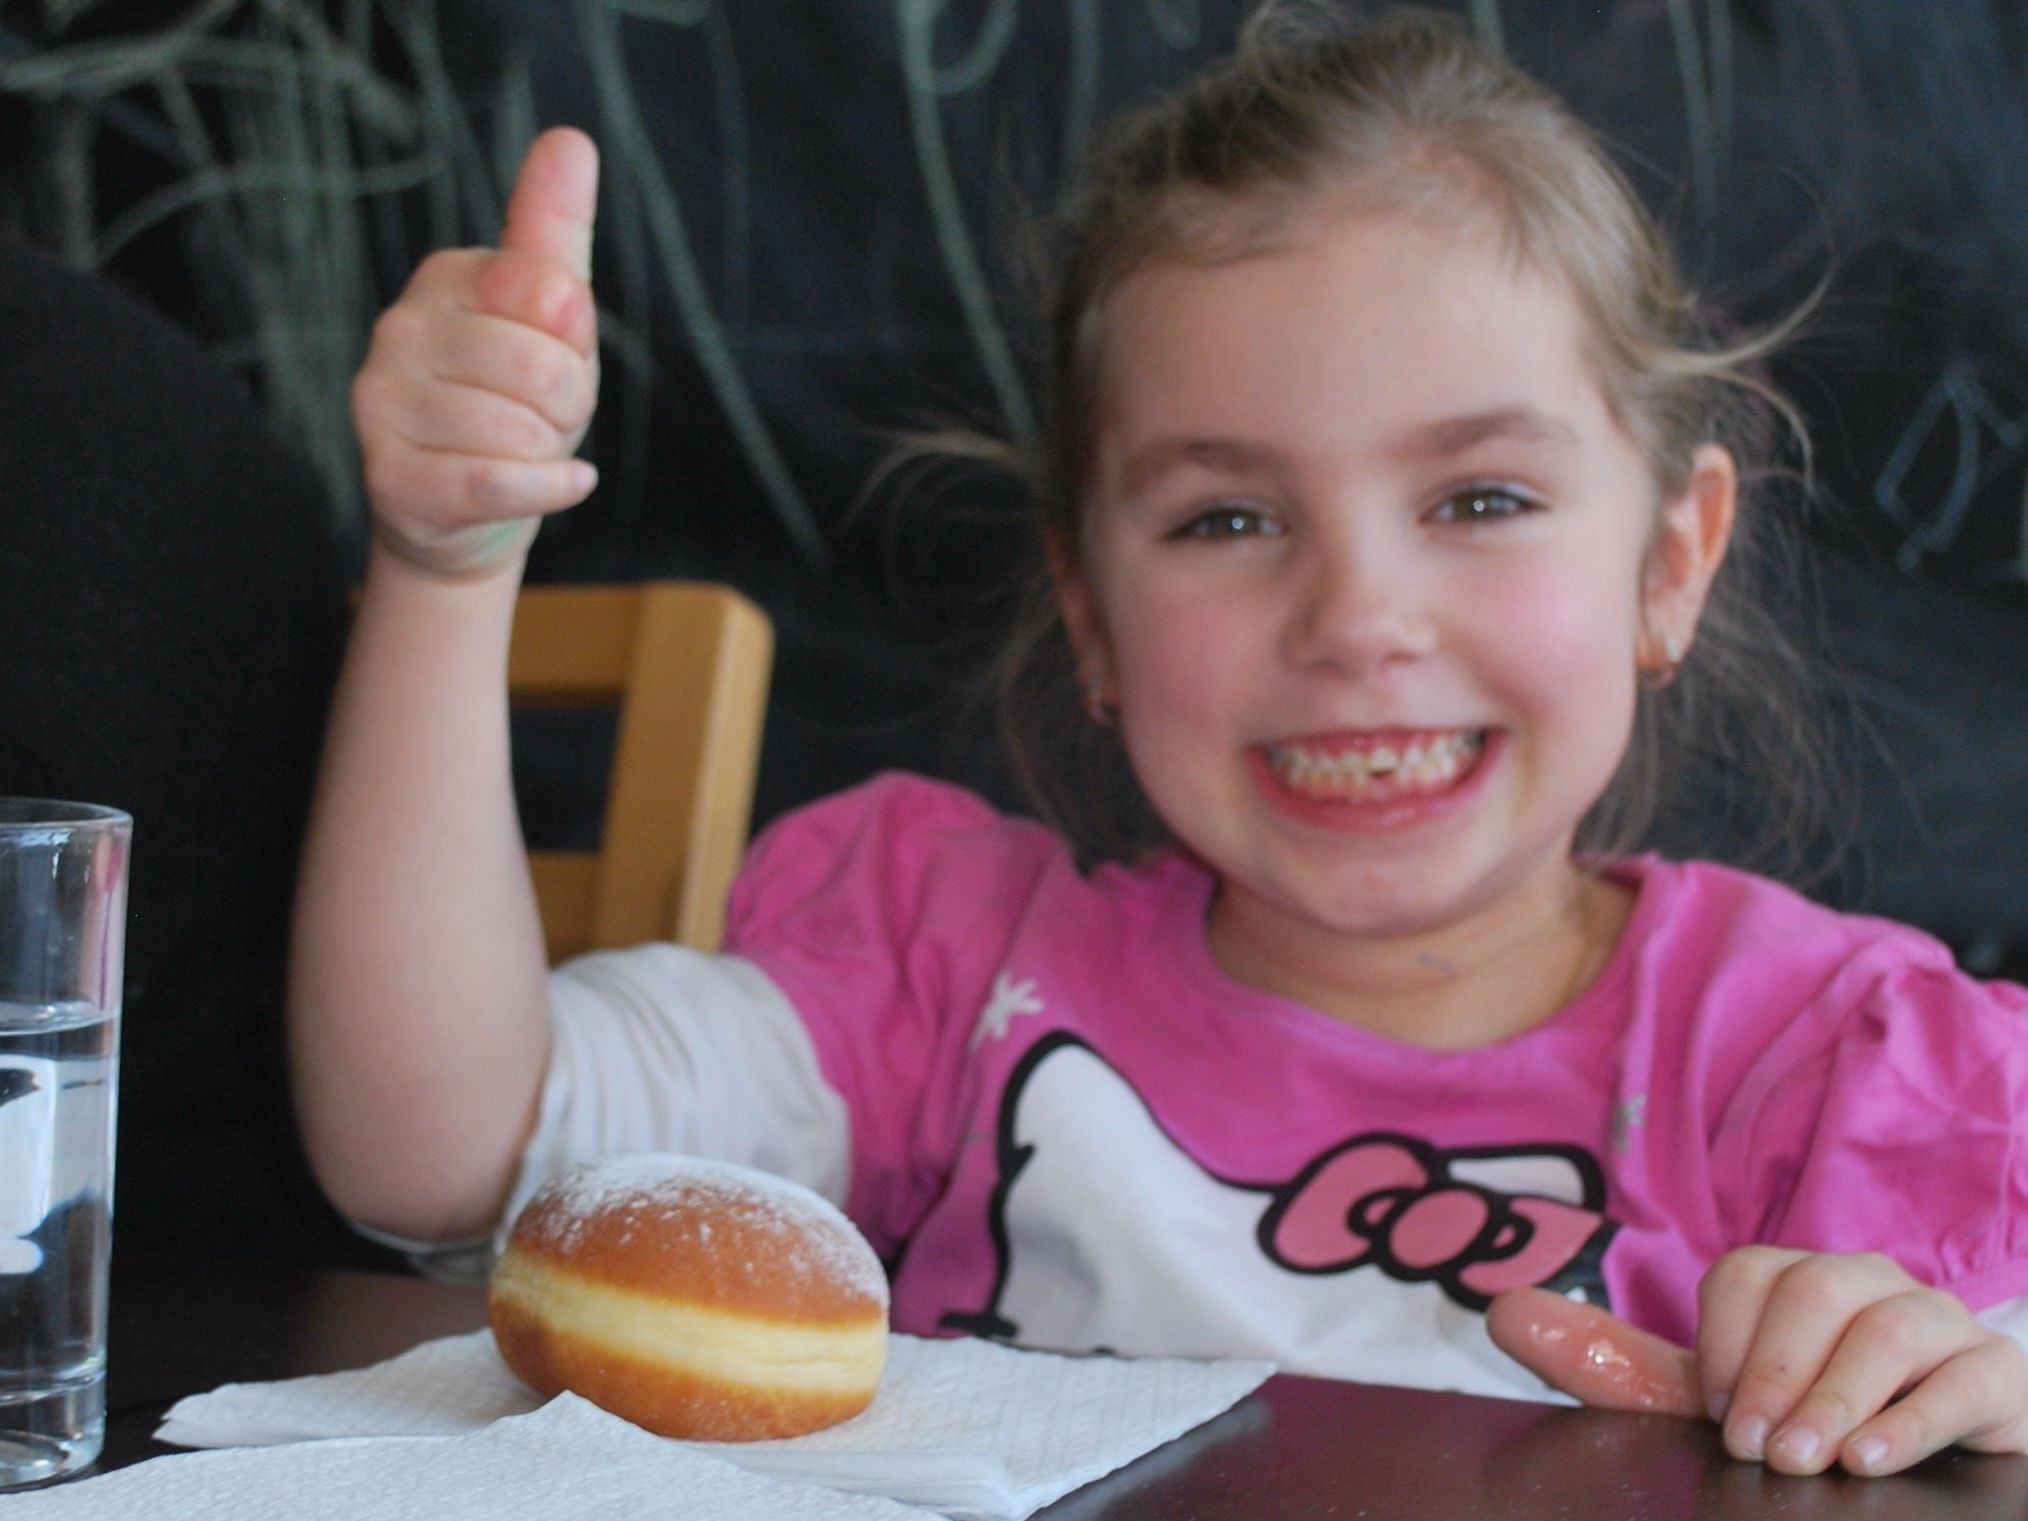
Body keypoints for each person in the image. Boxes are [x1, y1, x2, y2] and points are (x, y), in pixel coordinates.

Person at [290, 4, 2028, 1479]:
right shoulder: (946, 971)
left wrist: (1976, 1389)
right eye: (1224, 520)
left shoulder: (1838, 1068)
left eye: (1480, 497)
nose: (1358, 617)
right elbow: (446, 1150)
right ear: (1093, 617)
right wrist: (448, 572)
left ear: (1668, 564)